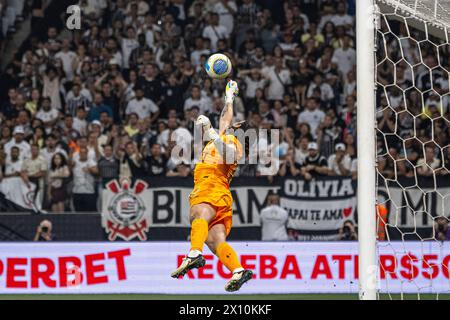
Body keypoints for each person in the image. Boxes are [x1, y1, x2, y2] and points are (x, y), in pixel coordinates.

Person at [171, 80, 253, 292]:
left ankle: (194, 254)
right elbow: (226, 115)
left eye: (237, 126)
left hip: (211, 186)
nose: (233, 124)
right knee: (216, 241)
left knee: (198, 216)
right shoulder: (228, 136)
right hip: (221, 196)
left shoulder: (234, 145)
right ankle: (238, 270)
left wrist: (211, 133)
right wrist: (229, 97)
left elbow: (228, 153)